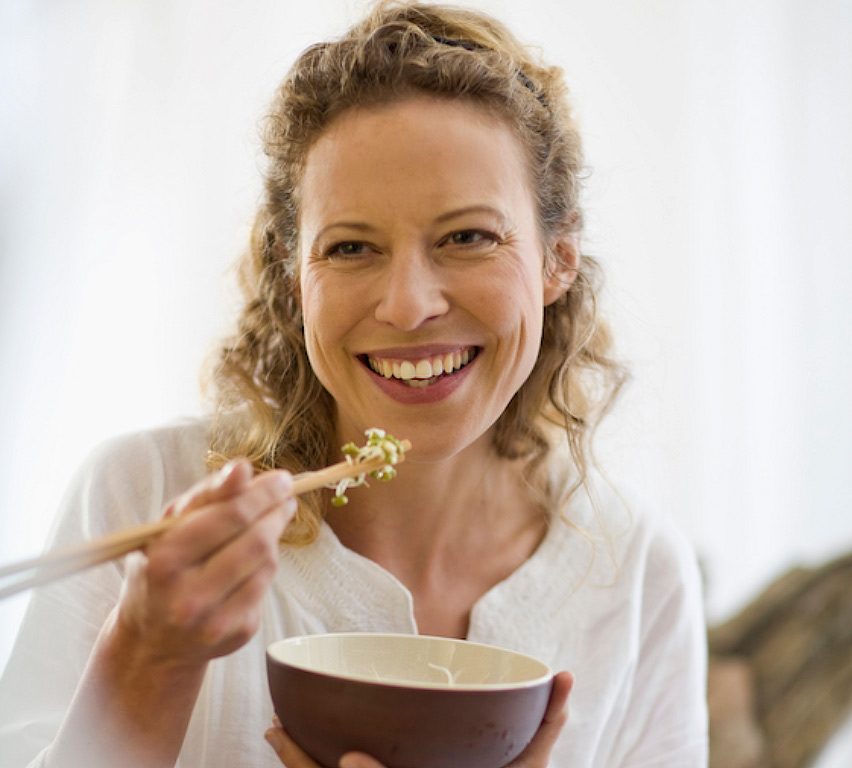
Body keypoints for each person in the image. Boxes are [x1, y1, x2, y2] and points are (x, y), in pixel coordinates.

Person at [0, 2, 708, 766]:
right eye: (350, 247)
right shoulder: (146, 498)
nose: (408, 305)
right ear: (291, 270)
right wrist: (149, 656)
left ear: (557, 258)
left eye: (467, 236)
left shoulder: (637, 577)